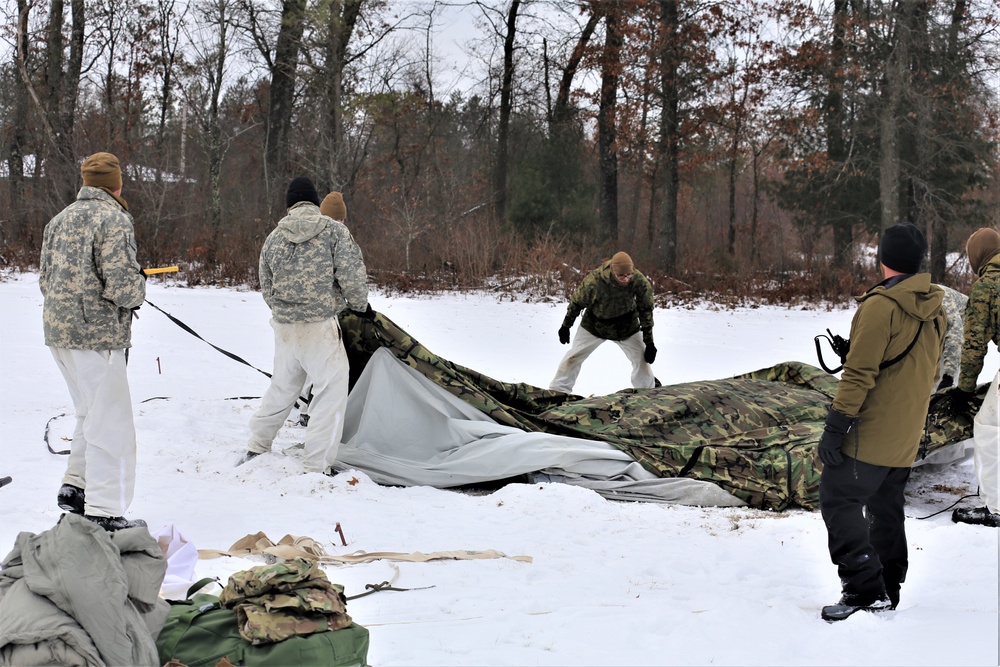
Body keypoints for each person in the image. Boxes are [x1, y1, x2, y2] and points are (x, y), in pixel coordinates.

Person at [816, 222, 946, 621]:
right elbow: (930, 371)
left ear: (882, 259)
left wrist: (835, 429)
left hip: (871, 433)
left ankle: (863, 588)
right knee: (886, 507)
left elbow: (858, 378)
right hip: (907, 434)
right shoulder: (936, 308)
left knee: (838, 498)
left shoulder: (879, 306)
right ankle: (889, 583)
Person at [39, 152, 147, 532]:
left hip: (59, 334)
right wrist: (139, 288)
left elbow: (45, 279)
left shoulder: (59, 219)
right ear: (117, 185)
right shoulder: (113, 219)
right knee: (111, 423)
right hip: (96, 336)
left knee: (89, 413)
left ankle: (76, 487)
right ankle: (105, 510)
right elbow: (123, 286)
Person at [243, 180, 371, 475]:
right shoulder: (335, 231)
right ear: (315, 202)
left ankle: (257, 444)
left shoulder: (273, 238)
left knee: (282, 388)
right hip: (321, 327)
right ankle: (317, 464)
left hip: (286, 328)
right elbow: (353, 274)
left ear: (289, 204)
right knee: (330, 392)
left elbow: (266, 285)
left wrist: (284, 313)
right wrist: (360, 307)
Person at [549, 252, 656, 393]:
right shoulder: (594, 282)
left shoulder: (639, 281)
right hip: (594, 325)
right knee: (573, 357)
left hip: (626, 326)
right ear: (613, 272)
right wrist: (566, 326)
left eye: (628, 275)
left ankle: (647, 392)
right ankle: (558, 391)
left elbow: (645, 310)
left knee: (642, 359)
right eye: (621, 276)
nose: (625, 279)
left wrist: (649, 343)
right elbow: (576, 303)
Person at [951, 227, 1000, 527]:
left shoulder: (987, 287)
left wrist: (964, 389)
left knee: (988, 429)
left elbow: (973, 345)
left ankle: (995, 506)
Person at [936, 284, 967, 391]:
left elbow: (955, 336)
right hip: (945, 332)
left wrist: (948, 376)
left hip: (965, 329)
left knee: (943, 384)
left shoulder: (942, 298)